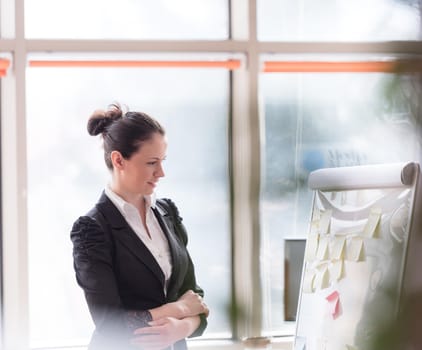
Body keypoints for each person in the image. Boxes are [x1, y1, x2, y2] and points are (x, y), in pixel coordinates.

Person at [70, 103, 209, 350]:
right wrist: (178, 309)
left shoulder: (168, 213)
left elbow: (195, 298)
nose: (161, 172)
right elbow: (110, 325)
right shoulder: (91, 229)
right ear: (119, 160)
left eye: (163, 161)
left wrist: (181, 328)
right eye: (151, 162)